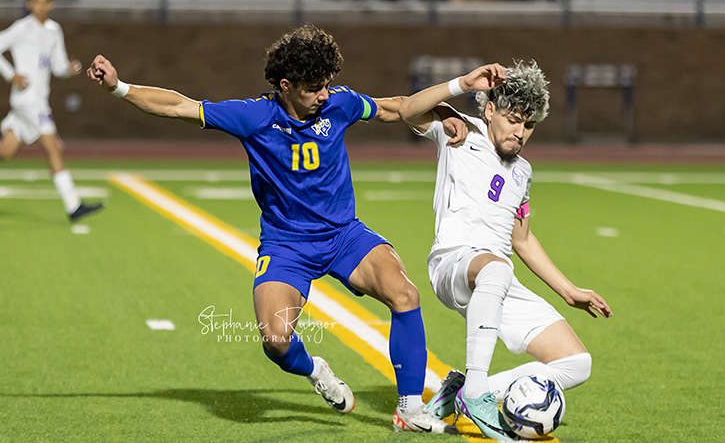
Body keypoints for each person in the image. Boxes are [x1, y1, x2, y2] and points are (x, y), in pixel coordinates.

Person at [86, 25, 468, 434]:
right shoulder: (255, 117)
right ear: (286, 85)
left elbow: (398, 107)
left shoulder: (339, 104)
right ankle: (316, 370)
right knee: (276, 339)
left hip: (343, 236)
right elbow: (178, 106)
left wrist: (443, 109)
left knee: (404, 293)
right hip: (287, 247)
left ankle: (409, 410)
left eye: (327, 85)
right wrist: (118, 87)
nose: (323, 94)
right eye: (313, 88)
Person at [398, 61, 614, 440]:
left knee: (577, 363)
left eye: (528, 125)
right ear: (490, 110)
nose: (520, 132)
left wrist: (570, 291)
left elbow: (523, 240)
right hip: (453, 263)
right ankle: (478, 392)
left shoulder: (523, 172)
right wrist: (460, 84)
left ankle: (462, 393)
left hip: (497, 277)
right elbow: (407, 110)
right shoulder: (459, 132)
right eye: (513, 119)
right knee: (497, 268)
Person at [0, 0, 102, 222]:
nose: (41, 6)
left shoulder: (54, 30)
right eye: (36, 1)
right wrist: (11, 75)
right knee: (53, 147)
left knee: (6, 152)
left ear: (51, 3)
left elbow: (57, 66)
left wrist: (69, 69)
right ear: (29, 4)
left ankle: (73, 206)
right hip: (29, 102)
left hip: (36, 101)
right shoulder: (21, 29)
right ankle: (73, 206)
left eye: (45, 1)